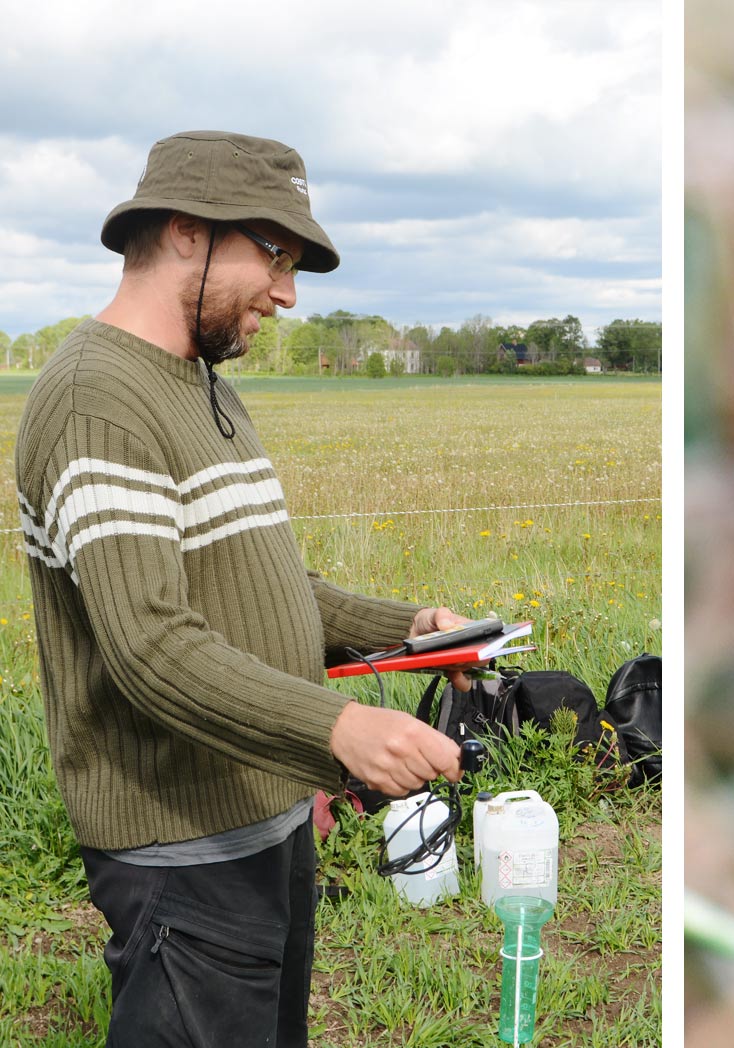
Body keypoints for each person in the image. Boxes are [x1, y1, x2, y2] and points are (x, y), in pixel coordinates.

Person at [15, 130, 474, 1047]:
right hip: (182, 855)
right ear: (188, 231)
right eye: (275, 256)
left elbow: (265, 589)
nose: (287, 293)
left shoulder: (203, 385)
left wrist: (414, 629)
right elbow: (152, 645)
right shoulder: (97, 399)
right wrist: (335, 730)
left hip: (265, 819)